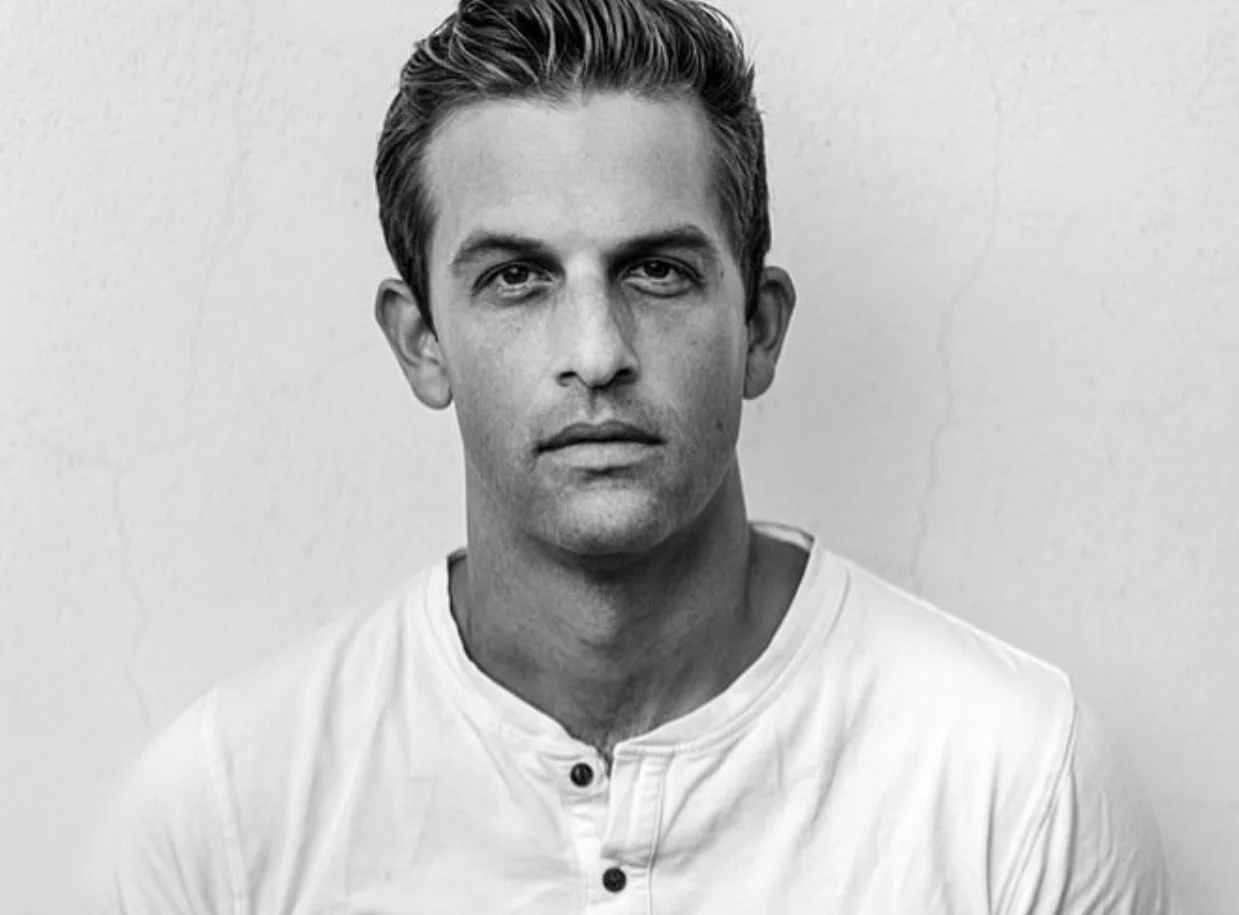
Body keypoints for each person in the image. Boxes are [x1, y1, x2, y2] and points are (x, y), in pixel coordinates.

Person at [93, 0, 1180, 911]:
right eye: (516, 278)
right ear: (421, 343)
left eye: (656, 271)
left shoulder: (1020, 784)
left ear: (757, 327)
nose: (597, 354)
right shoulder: (225, 817)